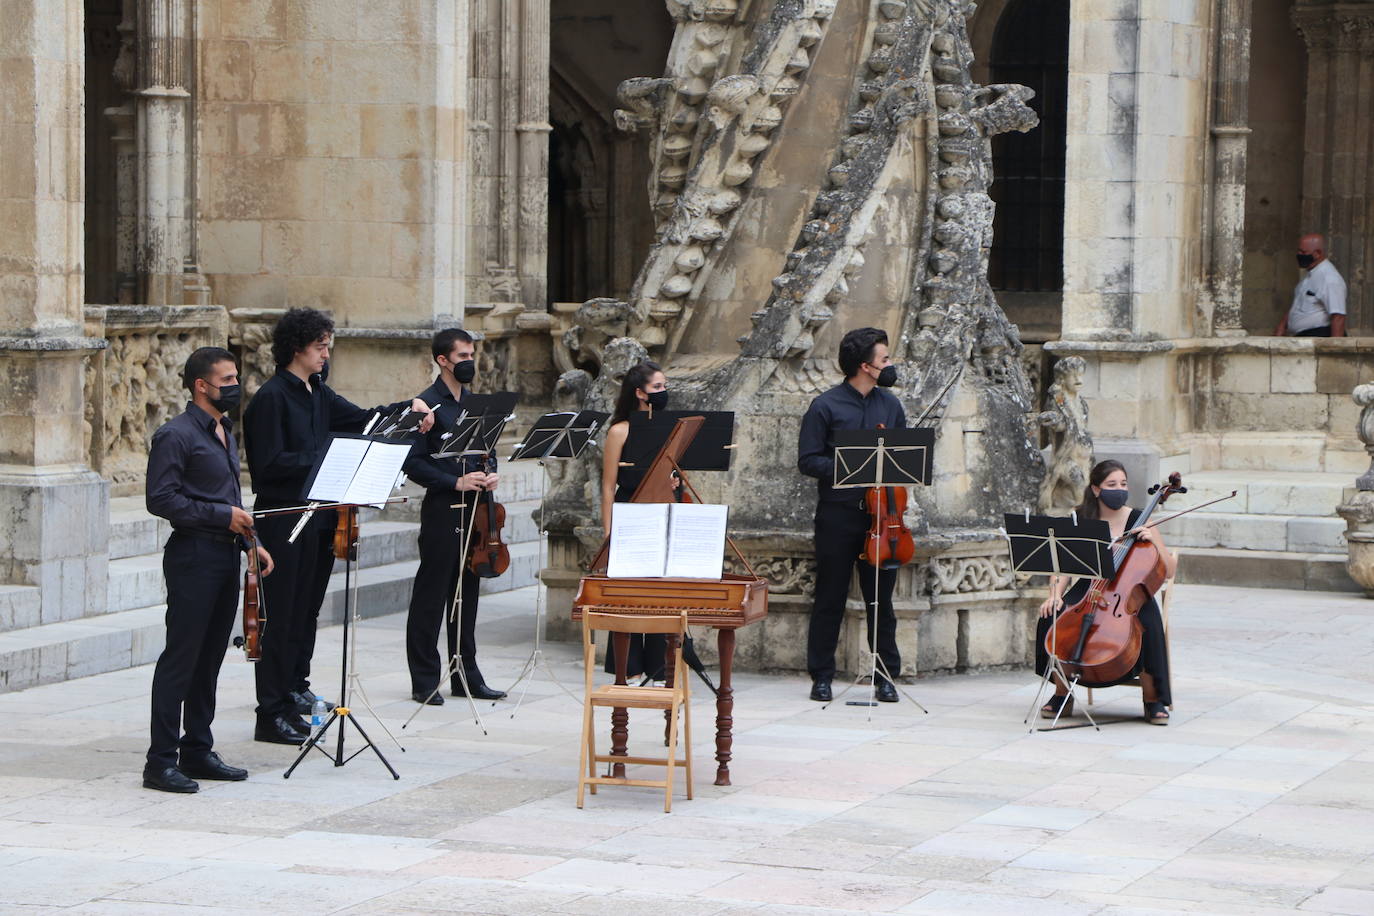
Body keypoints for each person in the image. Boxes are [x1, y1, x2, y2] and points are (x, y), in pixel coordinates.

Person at [242, 308, 433, 744]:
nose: (326, 354)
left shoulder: (317, 392)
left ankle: (294, 690)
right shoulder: (272, 397)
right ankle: (269, 712)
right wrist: (331, 460)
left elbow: (362, 419)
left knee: (305, 612)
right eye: (319, 346)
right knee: (280, 617)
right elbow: (268, 467)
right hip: (284, 519)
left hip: (319, 518)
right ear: (297, 348)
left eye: (328, 346)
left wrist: (409, 409)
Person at [143, 347, 274, 793]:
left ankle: (197, 749)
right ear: (201, 385)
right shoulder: (175, 435)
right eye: (227, 379)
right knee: (180, 659)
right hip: (192, 557)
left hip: (225, 556)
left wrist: (251, 541)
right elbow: (160, 499)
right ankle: (160, 762)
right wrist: (222, 517)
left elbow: (231, 497)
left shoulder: (224, 430)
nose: (235, 387)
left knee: (210, 660)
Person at [797, 328, 905, 703]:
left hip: (884, 517)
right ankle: (821, 675)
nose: (889, 365)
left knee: (882, 601)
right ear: (865, 366)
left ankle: (886, 675)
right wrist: (850, 467)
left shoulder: (891, 406)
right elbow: (808, 460)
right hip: (838, 515)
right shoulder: (824, 406)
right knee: (830, 596)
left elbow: (903, 458)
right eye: (884, 360)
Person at [403, 328, 508, 704]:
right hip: (444, 508)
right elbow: (413, 462)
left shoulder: (477, 404)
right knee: (433, 595)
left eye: (471, 355)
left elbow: (487, 449)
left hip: (479, 509)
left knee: (468, 593)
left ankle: (466, 675)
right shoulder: (425, 405)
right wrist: (455, 481)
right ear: (442, 360)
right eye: (462, 356)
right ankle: (425, 680)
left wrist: (490, 470)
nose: (469, 362)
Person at [1037, 459, 1177, 725]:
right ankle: (1061, 693)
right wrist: (1054, 595)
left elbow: (1168, 570)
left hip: (1128, 592)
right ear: (1097, 489)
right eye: (1112, 484)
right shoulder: (1082, 519)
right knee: (1051, 616)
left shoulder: (1141, 519)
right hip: (1089, 587)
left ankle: (1153, 699)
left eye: (1123, 484)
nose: (1119, 489)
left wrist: (1153, 543)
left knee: (1147, 623)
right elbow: (1063, 565)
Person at [598, 360, 671, 681]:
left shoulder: (669, 427)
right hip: (630, 516)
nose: (664, 392)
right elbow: (608, 485)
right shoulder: (620, 430)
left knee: (659, 596)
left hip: (660, 514)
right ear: (640, 393)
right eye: (657, 387)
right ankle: (626, 667)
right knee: (628, 596)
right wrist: (608, 532)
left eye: (664, 386)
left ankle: (658, 667)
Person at [1276, 232, 1347, 338]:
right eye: (1298, 251)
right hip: (1303, 336)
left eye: (1303, 252)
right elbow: (1298, 305)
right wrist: (1281, 328)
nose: (1299, 255)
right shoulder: (1310, 274)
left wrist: (1335, 348)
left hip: (1318, 336)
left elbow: (1338, 316)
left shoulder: (1329, 278)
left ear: (1318, 253)